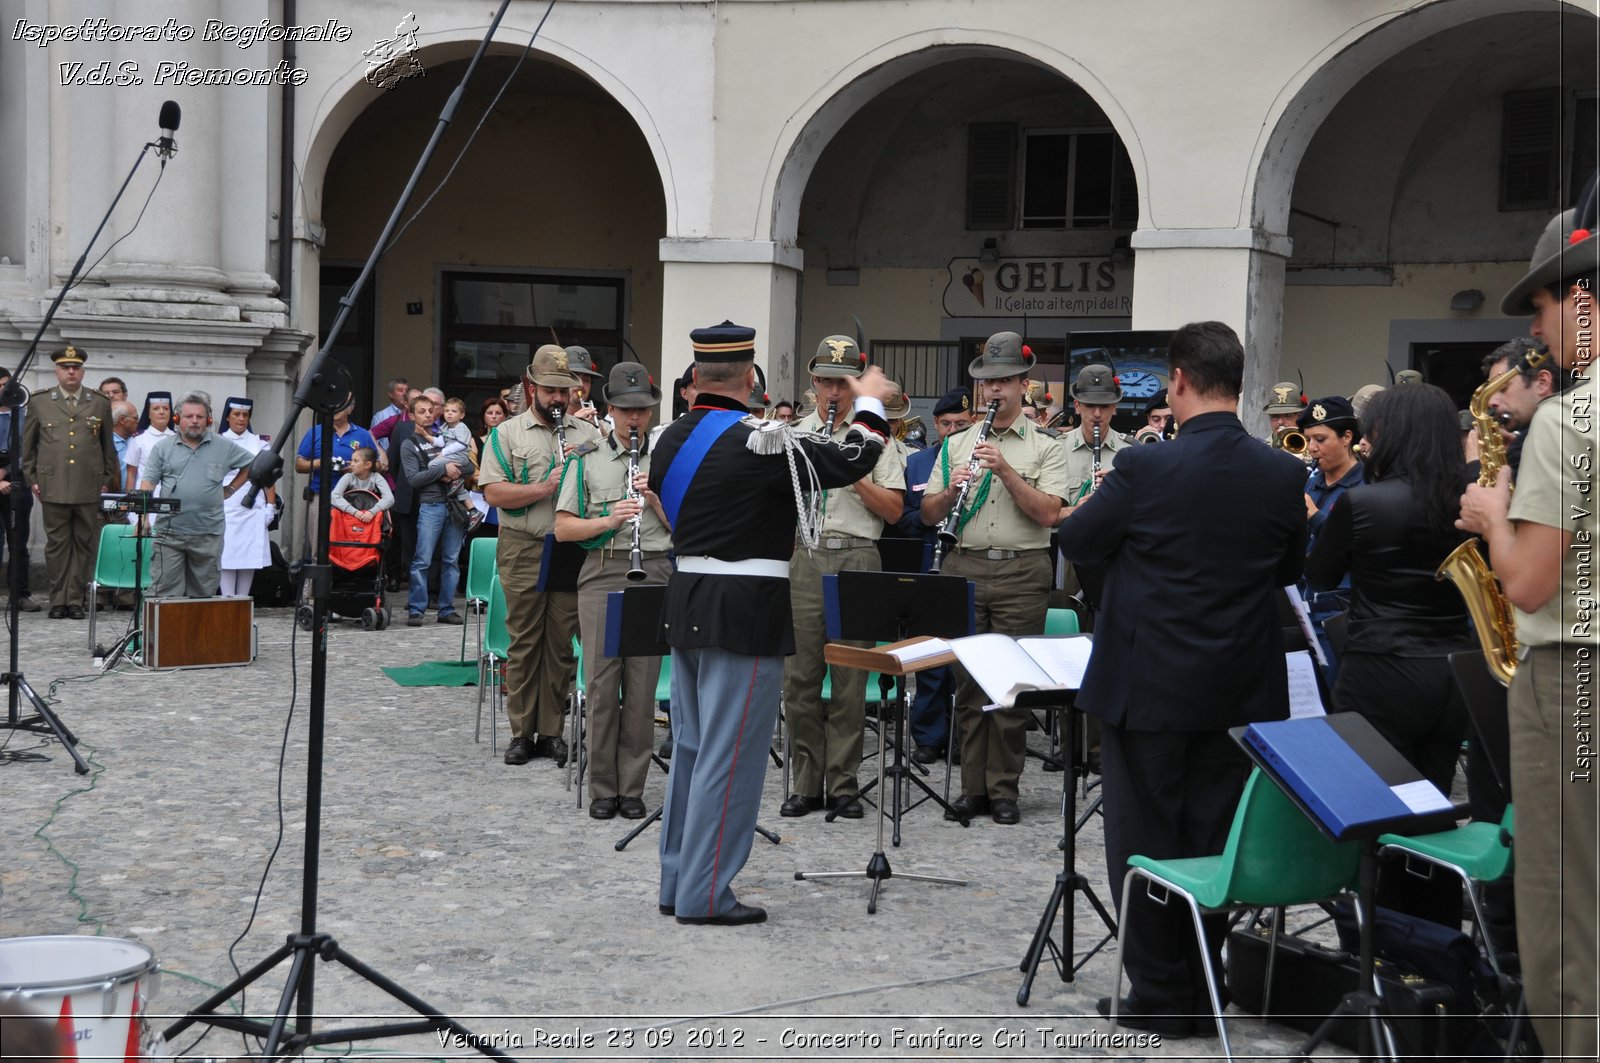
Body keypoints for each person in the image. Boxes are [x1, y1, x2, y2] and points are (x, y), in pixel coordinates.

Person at [1056, 320, 1306, 1037]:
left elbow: (1076, 538)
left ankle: (1163, 993)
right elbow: (1288, 571)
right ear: (1240, 382)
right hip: (1238, 687)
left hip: (1149, 685)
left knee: (1144, 838)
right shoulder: (1283, 473)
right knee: (1216, 839)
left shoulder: (1144, 466)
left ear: (1178, 381)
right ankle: (1203, 980)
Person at [648, 319, 894, 925]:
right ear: (751, 376)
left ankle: (677, 880)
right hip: (745, 606)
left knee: (691, 748)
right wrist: (869, 399)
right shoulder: (760, 439)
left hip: (688, 598)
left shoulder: (669, 438)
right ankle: (707, 894)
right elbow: (851, 457)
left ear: (698, 374)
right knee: (731, 757)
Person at [1458, 202, 1598, 1062]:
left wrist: (1493, 515)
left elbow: (1532, 580)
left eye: (1540, 311)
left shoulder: (1569, 420)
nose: (1538, 335)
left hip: (1575, 676)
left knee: (1564, 911)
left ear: (1580, 299)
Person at [1305, 385, 1474, 926]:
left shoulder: (1364, 501)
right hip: (1454, 672)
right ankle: (1431, 931)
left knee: (1371, 809)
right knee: (1432, 803)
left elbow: (1321, 574)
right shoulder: (1471, 500)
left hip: (1380, 665)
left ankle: (1377, 934)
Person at [921, 332, 1069, 825]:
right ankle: (972, 790)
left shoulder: (1045, 446)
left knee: (1011, 688)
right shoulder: (957, 442)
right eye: (987, 382)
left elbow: (1051, 514)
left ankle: (1004, 790)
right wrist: (951, 491)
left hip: (1022, 569)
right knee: (967, 685)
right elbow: (926, 513)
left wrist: (1004, 471)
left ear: (1023, 385)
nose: (994, 391)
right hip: (964, 564)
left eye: (1004, 381)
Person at [779, 335, 905, 820]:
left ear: (856, 386)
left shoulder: (877, 437)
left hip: (857, 555)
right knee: (801, 677)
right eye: (827, 382)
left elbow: (894, 512)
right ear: (813, 384)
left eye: (843, 383)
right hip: (807, 555)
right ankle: (807, 782)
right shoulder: (791, 433)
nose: (834, 393)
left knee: (851, 678)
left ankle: (845, 783)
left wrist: (852, 471)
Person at [555, 362, 673, 821]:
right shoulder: (585, 458)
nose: (634, 419)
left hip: (656, 567)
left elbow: (689, 531)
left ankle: (633, 787)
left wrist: (655, 500)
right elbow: (564, 529)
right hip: (603, 569)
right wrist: (609, 520)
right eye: (625, 410)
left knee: (643, 687)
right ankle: (603, 785)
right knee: (603, 685)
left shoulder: (665, 461)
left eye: (642, 410)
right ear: (610, 410)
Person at [478, 346, 600, 767]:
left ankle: (552, 731)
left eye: (565, 391)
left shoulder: (588, 435)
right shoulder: (507, 434)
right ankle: (521, 733)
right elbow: (493, 493)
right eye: (550, 390)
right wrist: (545, 488)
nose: (558, 399)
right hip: (524, 546)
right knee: (525, 640)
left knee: (562, 642)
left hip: (570, 548)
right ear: (533, 387)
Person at [895, 386, 971, 763]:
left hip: (966, 564)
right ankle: (928, 736)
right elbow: (905, 516)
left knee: (963, 659)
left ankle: (960, 736)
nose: (953, 430)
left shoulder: (981, 458)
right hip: (927, 562)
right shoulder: (919, 463)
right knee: (928, 657)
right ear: (935, 425)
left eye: (961, 423)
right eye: (946, 423)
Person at [22, 346, 121, 619]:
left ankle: (75, 599)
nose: (70, 372)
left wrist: (104, 479)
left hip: (88, 486)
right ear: (57, 371)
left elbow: (107, 447)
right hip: (51, 486)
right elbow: (28, 446)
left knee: (83, 544)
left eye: (75, 367)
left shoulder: (98, 402)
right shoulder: (41, 402)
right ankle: (58, 600)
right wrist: (32, 478)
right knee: (56, 546)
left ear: (82, 371)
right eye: (65, 367)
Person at [139, 393, 255, 598]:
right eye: (189, 416)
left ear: (208, 420)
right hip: (169, 534)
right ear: (177, 419)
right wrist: (143, 517)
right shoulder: (163, 448)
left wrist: (230, 490)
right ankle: (164, 632)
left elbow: (252, 465)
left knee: (203, 595)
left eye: (200, 417)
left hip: (208, 534)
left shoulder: (223, 446)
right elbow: (148, 483)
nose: (194, 421)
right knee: (164, 594)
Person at [1297, 395, 1365, 678]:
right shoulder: (1309, 480)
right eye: (1308, 439)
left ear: (1347, 437)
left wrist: (1314, 517)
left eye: (1320, 439)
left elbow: (1360, 546)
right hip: (1302, 607)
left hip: (1341, 614)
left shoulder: (1367, 484)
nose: (1312, 448)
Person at [398, 393, 470, 627]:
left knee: (451, 560)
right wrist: (443, 470)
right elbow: (414, 479)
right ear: (412, 416)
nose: (428, 415)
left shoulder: (447, 435)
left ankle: (446, 609)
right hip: (431, 505)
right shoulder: (410, 444)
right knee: (422, 559)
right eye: (422, 411)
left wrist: (452, 468)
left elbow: (469, 465)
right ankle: (417, 609)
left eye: (431, 411)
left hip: (455, 506)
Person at [294, 394, 377, 554]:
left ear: (350, 409)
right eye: (333, 404)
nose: (335, 408)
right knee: (319, 546)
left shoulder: (362, 434)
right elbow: (299, 465)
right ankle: (317, 577)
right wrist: (322, 462)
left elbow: (378, 465)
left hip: (353, 497)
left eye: (341, 404)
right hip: (321, 496)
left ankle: (343, 578)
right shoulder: (316, 432)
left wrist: (356, 468)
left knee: (348, 545)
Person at [217, 397, 275, 598]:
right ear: (228, 417)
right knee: (227, 554)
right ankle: (227, 599)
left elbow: (269, 476)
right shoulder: (218, 441)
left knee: (248, 556)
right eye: (237, 415)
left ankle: (243, 600)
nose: (241, 419)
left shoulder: (259, 443)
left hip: (252, 503)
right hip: (225, 502)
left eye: (245, 415)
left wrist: (271, 506)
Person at [1482, 336, 1558, 477]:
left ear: (1542, 382)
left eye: (1502, 388)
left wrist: (1475, 464)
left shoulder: (1539, 440)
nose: (1491, 401)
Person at [0, 366, 40, 611]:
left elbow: (29, 451)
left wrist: (7, 473)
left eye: (6, 385)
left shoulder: (23, 415)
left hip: (17, 485)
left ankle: (20, 593)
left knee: (18, 543)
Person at [124, 391, 174, 493]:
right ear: (149, 414)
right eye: (156, 408)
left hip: (172, 496)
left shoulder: (178, 438)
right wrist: (130, 502)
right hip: (145, 497)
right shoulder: (138, 439)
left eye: (166, 408)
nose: (161, 412)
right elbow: (131, 474)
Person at [331, 446, 394, 522]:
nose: (352, 464)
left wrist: (372, 512)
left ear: (367, 465)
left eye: (356, 461)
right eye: (352, 460)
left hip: (371, 520)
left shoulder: (376, 478)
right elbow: (334, 496)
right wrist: (354, 512)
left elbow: (390, 499)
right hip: (348, 519)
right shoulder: (348, 477)